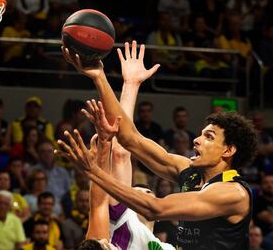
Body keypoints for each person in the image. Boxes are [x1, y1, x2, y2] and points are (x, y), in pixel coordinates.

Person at [60, 40, 258, 250]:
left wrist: (93, 171)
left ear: (228, 150)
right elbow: (129, 138)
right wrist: (99, 77)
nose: (196, 140)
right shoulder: (189, 173)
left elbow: (155, 208)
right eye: (200, 134)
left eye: (209, 137)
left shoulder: (233, 193)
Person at [58, 45, 176, 250]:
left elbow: (120, 152)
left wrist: (130, 85)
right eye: (140, 192)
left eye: (141, 192)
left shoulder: (116, 229)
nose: (142, 193)